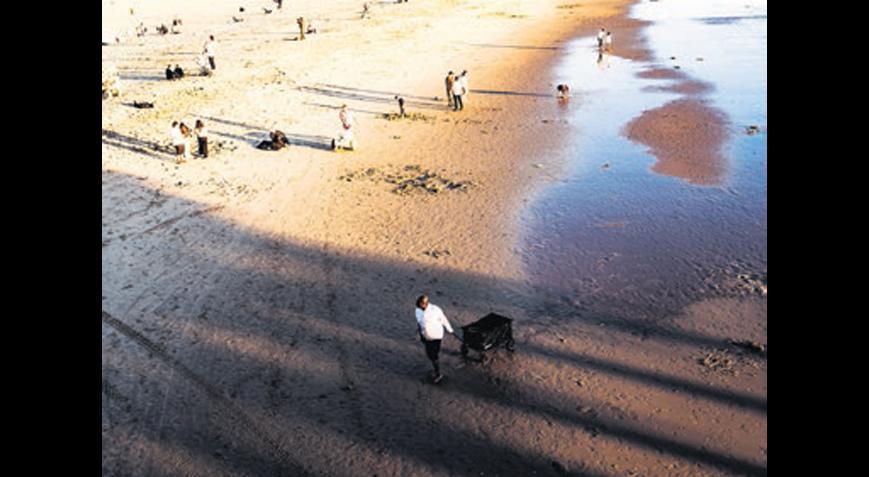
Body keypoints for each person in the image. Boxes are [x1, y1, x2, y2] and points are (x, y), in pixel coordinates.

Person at [415, 295, 454, 383]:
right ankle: (436, 369)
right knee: (432, 353)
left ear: (424, 304)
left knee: (432, 354)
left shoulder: (434, 310)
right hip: (430, 336)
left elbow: (443, 319)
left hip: (434, 336)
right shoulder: (431, 309)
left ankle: (437, 373)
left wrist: (450, 329)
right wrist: (449, 329)